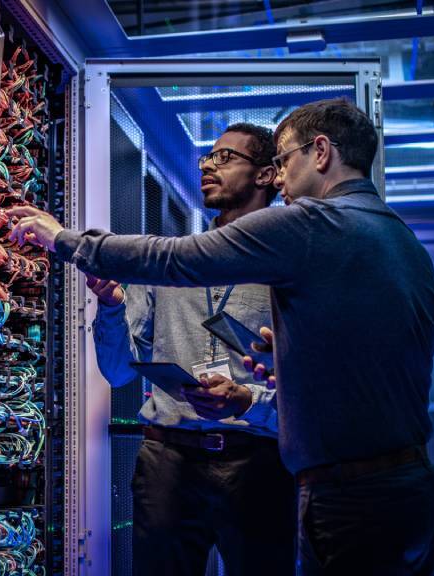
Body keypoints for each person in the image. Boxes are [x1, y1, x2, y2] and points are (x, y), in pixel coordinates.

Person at [6, 98, 434, 575]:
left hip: (340, 490)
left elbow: (173, 260)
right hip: (403, 483)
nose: (281, 177)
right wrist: (295, 357)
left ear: (320, 152)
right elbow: (372, 361)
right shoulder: (402, 242)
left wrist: (63, 239)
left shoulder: (313, 224)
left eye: (284, 160)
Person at [85, 123, 293, 576]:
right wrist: (111, 306)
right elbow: (119, 371)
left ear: (265, 175)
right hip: (168, 459)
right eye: (206, 158)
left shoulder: (289, 265)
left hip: (259, 460)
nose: (207, 167)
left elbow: (311, 383)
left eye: (224, 158)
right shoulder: (170, 262)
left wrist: (247, 399)